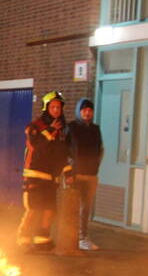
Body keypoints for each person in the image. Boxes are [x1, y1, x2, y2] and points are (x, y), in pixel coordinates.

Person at [17, 91, 72, 251]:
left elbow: (64, 153)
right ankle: (24, 239)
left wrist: (67, 172)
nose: (56, 110)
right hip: (34, 176)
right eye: (53, 107)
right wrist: (50, 130)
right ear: (46, 108)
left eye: (59, 108)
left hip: (51, 178)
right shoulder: (34, 127)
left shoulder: (63, 130)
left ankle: (42, 239)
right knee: (33, 209)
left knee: (50, 210)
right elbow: (35, 146)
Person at [68, 98, 104, 250]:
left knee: (85, 209)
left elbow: (100, 149)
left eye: (90, 110)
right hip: (75, 174)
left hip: (91, 175)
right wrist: (69, 171)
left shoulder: (95, 129)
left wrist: (95, 167)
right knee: (72, 207)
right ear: (79, 111)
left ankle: (83, 238)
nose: (87, 113)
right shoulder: (71, 127)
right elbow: (66, 151)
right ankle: (69, 238)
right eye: (84, 110)